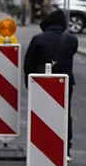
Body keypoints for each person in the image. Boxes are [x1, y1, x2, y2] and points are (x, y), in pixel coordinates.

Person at [22, 9, 79, 148]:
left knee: (41, 115)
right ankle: (65, 149)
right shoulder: (72, 40)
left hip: (41, 82)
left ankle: (41, 145)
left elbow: (28, 63)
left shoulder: (38, 39)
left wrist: (29, 83)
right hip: (64, 82)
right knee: (65, 114)